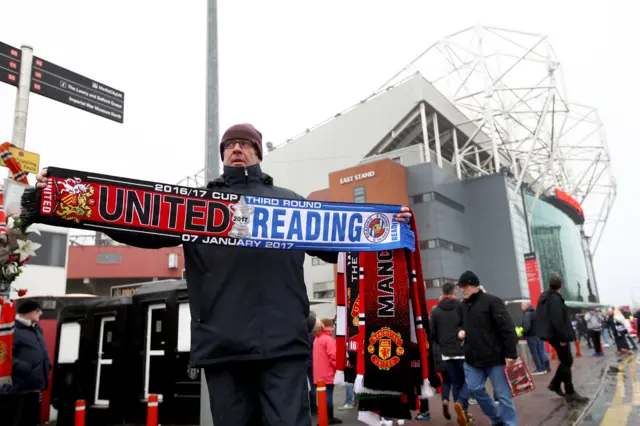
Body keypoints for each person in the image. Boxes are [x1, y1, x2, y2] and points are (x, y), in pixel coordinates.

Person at [34, 124, 413, 426]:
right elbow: (139, 224)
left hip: (283, 344)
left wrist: (389, 227)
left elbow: (337, 241)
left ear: (258, 153)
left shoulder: (290, 203)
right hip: (223, 347)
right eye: (230, 144)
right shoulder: (194, 206)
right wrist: (62, 199)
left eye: (245, 144)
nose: (236, 149)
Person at [457, 271, 518, 426]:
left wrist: (511, 354)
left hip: (495, 358)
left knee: (503, 395)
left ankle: (510, 423)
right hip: (472, 358)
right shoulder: (463, 305)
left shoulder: (492, 301)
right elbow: (459, 324)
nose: (461, 289)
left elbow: (508, 328)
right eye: (460, 287)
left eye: (464, 286)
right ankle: (497, 419)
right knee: (474, 388)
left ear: (474, 285)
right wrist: (460, 331)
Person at [536, 276, 588, 403]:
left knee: (566, 360)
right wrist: (562, 337)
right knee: (566, 360)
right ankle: (569, 391)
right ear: (561, 286)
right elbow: (557, 320)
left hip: (551, 335)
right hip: (558, 335)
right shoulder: (554, 299)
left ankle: (555, 384)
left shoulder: (546, 298)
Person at [0, 300, 51, 426]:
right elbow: (3, 354)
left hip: (34, 386)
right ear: (28, 312)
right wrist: (22, 367)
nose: (41, 313)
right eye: (38, 310)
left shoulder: (36, 329)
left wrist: (47, 364)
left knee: (31, 421)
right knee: (16, 421)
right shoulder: (13, 329)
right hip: (18, 388)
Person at [431, 282, 474, 424]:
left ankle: (461, 411)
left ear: (443, 293)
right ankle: (463, 407)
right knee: (470, 380)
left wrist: (442, 343)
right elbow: (468, 325)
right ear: (454, 292)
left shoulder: (436, 310)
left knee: (455, 382)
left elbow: (432, 333)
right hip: (462, 349)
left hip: (446, 352)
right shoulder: (460, 306)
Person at [313, 318, 342, 425]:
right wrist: (338, 369)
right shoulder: (328, 339)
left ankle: (324, 417)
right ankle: (329, 417)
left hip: (318, 374)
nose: (333, 328)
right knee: (328, 395)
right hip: (328, 372)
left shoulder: (317, 338)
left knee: (322, 396)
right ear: (327, 326)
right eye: (332, 325)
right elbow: (333, 356)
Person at [521, 301, 548, 374]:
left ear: (526, 306)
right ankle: (544, 368)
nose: (521, 308)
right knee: (540, 352)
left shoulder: (527, 314)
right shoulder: (536, 312)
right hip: (539, 335)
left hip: (531, 336)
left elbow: (527, 326)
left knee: (534, 353)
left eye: (522, 306)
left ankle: (539, 369)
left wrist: (523, 334)